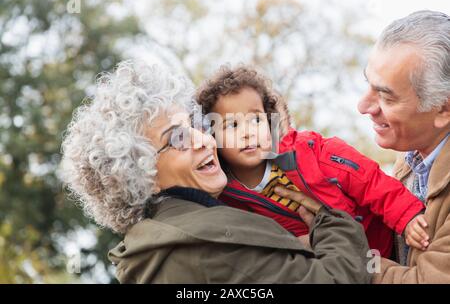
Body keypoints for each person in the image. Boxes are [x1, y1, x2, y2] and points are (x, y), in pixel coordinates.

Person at [60, 60, 372, 283]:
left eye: (195, 127)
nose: (204, 140)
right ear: (142, 177)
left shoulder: (165, 242)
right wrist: (330, 222)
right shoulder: (203, 246)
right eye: (177, 138)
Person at [196, 65, 425, 257]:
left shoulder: (311, 153)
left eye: (256, 119)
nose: (247, 133)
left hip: (381, 248)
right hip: (327, 265)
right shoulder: (224, 192)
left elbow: (370, 181)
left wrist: (407, 216)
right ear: (212, 135)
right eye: (232, 125)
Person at [358, 10, 450, 283]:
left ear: (443, 109)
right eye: (368, 85)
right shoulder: (410, 164)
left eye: (386, 96)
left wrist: (339, 256)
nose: (363, 106)